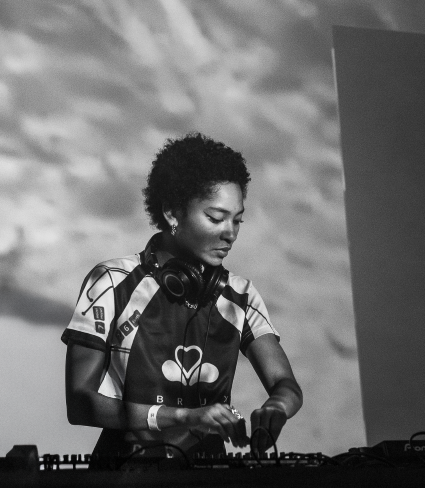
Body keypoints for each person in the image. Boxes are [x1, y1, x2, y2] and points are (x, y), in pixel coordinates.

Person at [62, 133, 302, 461]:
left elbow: (285, 384)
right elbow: (80, 403)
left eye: (237, 220)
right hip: (125, 474)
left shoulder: (241, 295)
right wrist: (181, 417)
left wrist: (277, 406)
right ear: (173, 213)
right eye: (215, 218)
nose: (230, 233)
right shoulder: (112, 281)